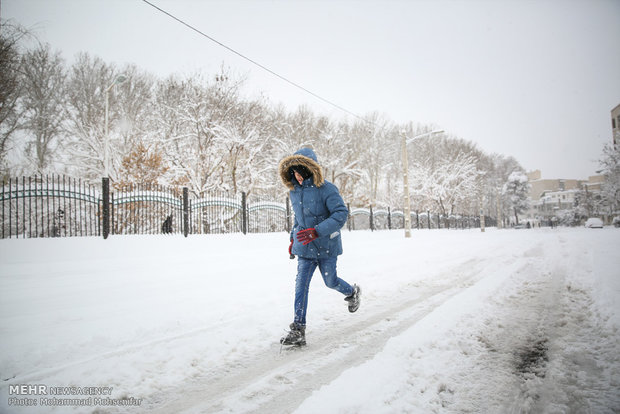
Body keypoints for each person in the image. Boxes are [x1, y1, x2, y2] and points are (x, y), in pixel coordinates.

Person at [278, 147, 361, 346]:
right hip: (305, 248)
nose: (297, 177)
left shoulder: (327, 189)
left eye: (299, 173)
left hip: (326, 246)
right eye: (293, 174)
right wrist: (292, 240)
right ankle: (298, 329)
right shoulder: (294, 193)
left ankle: (352, 292)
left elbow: (340, 214)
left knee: (330, 281)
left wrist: (317, 231)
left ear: (308, 170)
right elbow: (299, 220)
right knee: (301, 287)